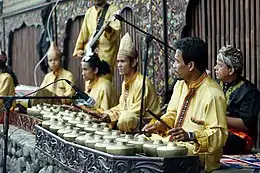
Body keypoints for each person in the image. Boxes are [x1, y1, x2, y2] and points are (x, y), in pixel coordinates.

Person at [142, 37, 228, 173]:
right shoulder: (180, 85)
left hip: (198, 154)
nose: (174, 66)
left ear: (191, 66)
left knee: (165, 154)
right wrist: (159, 124)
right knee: (141, 142)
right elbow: (172, 114)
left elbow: (219, 134)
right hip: (175, 143)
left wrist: (190, 135)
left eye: (177, 61)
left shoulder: (213, 94)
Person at [90, 33, 161, 133]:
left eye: (123, 61)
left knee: (125, 118)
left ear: (133, 62)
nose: (119, 65)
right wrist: (108, 113)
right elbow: (122, 106)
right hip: (133, 120)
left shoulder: (142, 83)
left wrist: (112, 115)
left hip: (148, 123)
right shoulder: (125, 83)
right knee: (105, 116)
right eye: (118, 61)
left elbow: (136, 111)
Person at [214, 45, 260, 154]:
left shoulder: (249, 92)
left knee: (217, 140)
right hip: (217, 131)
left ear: (231, 70)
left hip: (239, 137)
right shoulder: (215, 85)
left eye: (219, 65)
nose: (215, 68)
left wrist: (218, 117)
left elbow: (247, 124)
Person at [73, 0, 121, 81]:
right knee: (90, 87)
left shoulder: (113, 10)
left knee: (104, 85)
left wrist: (109, 30)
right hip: (90, 58)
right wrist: (79, 49)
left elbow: (116, 32)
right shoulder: (89, 12)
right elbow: (83, 34)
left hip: (105, 60)